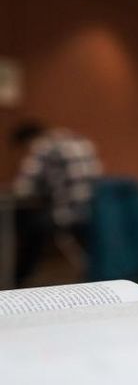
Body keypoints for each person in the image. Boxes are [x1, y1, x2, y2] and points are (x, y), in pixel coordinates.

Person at [11, 120, 104, 282]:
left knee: (26, 225)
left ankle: (19, 278)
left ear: (28, 140)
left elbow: (23, 187)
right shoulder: (81, 141)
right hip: (92, 210)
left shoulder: (43, 147)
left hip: (66, 214)